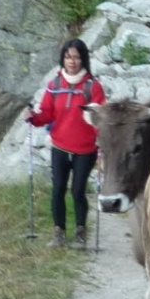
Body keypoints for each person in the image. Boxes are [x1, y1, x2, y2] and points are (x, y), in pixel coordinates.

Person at [25, 38, 106, 249]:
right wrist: (33, 117)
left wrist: (103, 140)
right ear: (63, 59)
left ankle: (80, 231)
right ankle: (58, 232)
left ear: (83, 59)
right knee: (58, 189)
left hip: (86, 149)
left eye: (77, 57)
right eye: (68, 57)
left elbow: (100, 117)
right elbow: (47, 114)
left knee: (78, 190)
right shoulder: (54, 85)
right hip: (60, 146)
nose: (72, 61)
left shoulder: (93, 87)